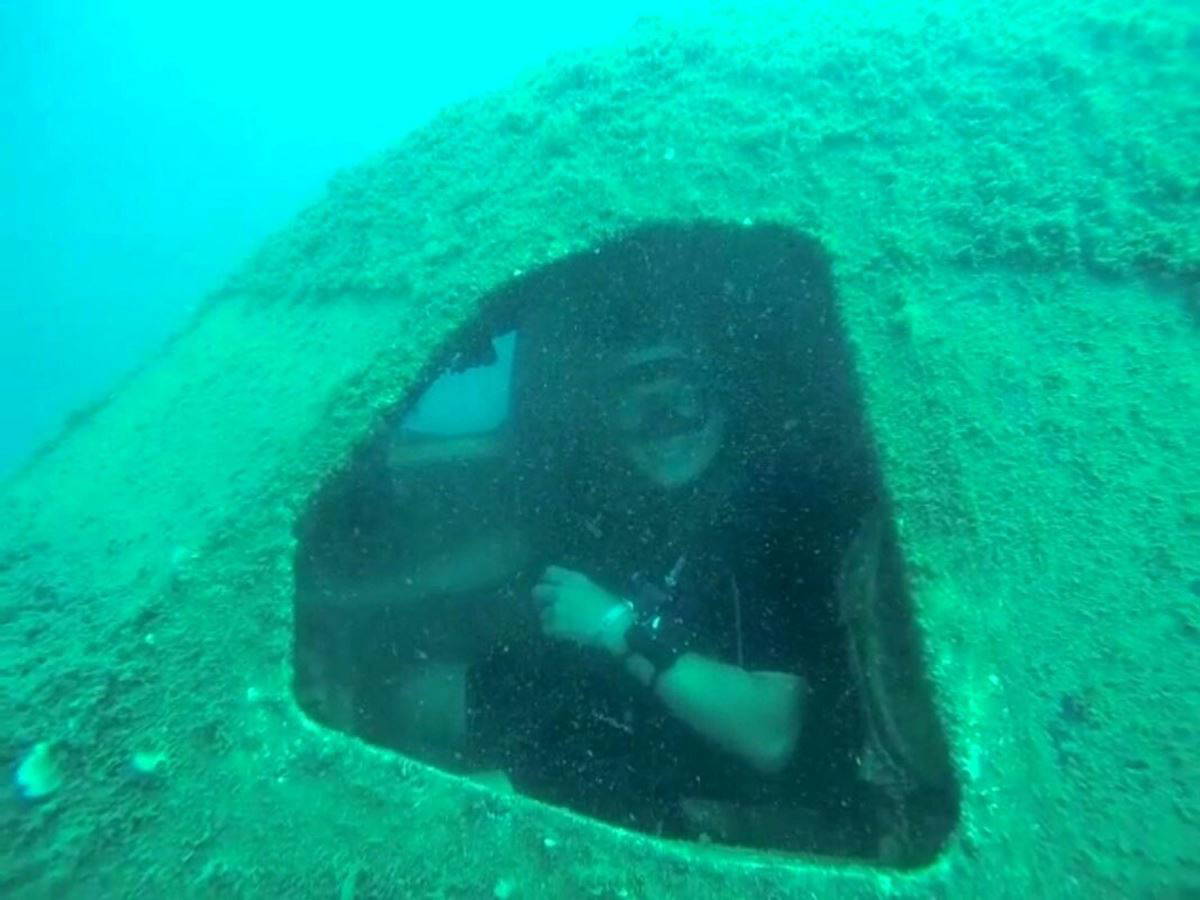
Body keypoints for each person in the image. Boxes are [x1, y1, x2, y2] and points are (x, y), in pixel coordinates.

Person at [467, 325, 882, 853]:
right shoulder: (649, 501)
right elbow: (524, 556)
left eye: (684, 400)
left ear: (723, 403)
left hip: (714, 800)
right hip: (620, 730)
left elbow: (771, 734)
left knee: (447, 815)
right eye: (637, 407)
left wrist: (612, 625)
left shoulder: (776, 527)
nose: (665, 428)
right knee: (402, 694)